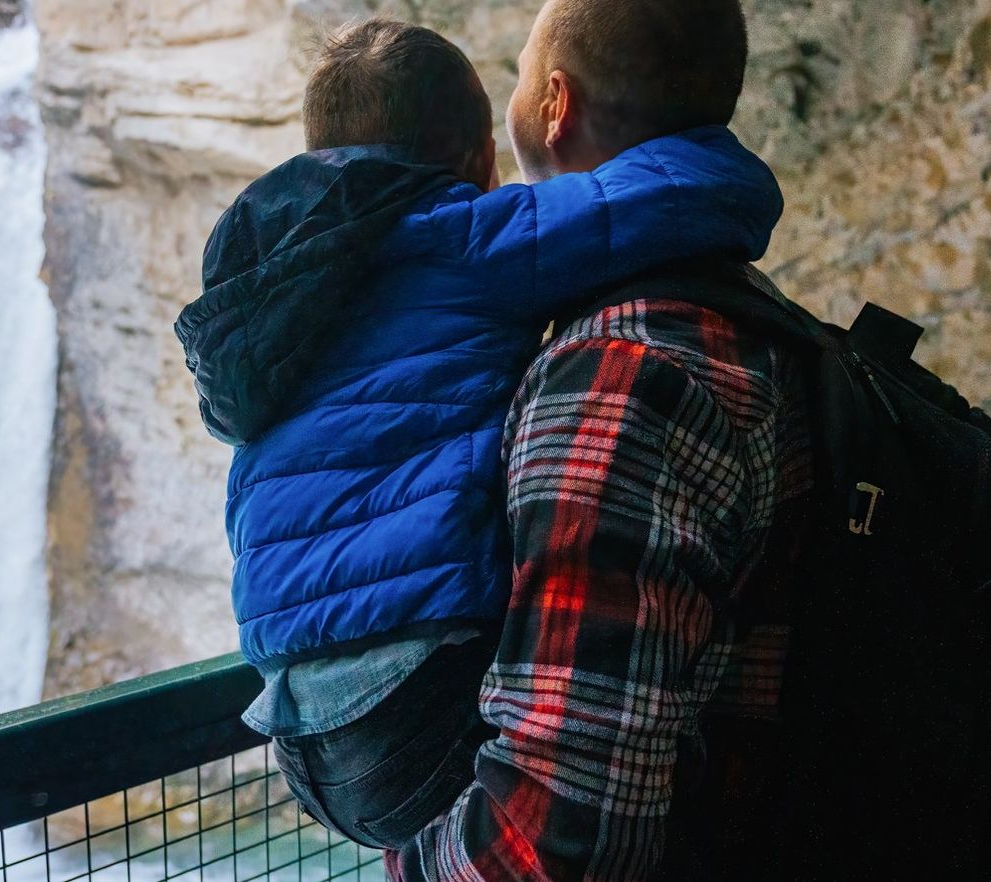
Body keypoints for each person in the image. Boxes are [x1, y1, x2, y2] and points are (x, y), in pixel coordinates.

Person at [173, 16, 783, 851]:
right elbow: (653, 202)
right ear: (475, 165)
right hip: (421, 699)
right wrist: (734, 160)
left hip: (292, 722)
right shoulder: (457, 241)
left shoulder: (265, 297)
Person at [388, 0, 816, 879]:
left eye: (515, 72)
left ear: (553, 104)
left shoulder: (618, 376)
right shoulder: (750, 317)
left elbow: (557, 844)